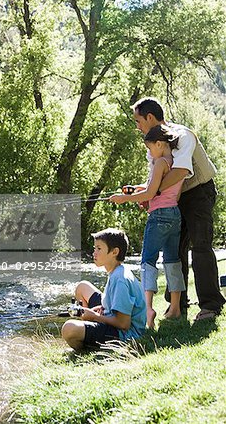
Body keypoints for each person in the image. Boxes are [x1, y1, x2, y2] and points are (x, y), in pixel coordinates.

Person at [129, 97, 225, 320]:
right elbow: (157, 177)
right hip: (174, 198)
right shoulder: (153, 143)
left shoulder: (183, 135)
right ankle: (177, 306)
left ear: (150, 117)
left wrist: (153, 193)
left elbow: (180, 172)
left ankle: (210, 305)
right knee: (174, 252)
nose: (137, 126)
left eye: (138, 121)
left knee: (200, 247)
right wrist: (142, 191)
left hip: (199, 193)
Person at [110, 125, 186, 328]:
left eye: (150, 148)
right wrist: (135, 190)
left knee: (148, 260)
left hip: (158, 215)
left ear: (160, 144)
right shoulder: (175, 163)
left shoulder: (159, 162)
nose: (149, 153)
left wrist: (123, 199)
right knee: (172, 260)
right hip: (175, 215)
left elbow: (151, 193)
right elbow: (164, 190)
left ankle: (148, 308)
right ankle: (176, 307)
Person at [62, 228, 146, 350]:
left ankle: (85, 343)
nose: (94, 252)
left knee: (69, 328)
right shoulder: (116, 271)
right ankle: (88, 330)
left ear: (114, 252)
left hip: (125, 335)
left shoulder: (121, 279)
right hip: (112, 320)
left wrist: (94, 316)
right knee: (82, 287)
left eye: (99, 248)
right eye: (94, 248)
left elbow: (124, 324)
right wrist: (102, 308)